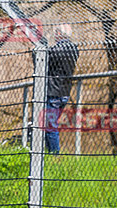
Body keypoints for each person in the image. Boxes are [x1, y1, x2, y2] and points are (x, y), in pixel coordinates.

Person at [44, 24, 79, 154]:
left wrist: (42, 50)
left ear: (58, 34)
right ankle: (49, 153)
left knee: (50, 125)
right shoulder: (74, 49)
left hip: (53, 91)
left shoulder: (57, 50)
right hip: (65, 90)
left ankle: (54, 154)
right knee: (50, 123)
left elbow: (43, 62)